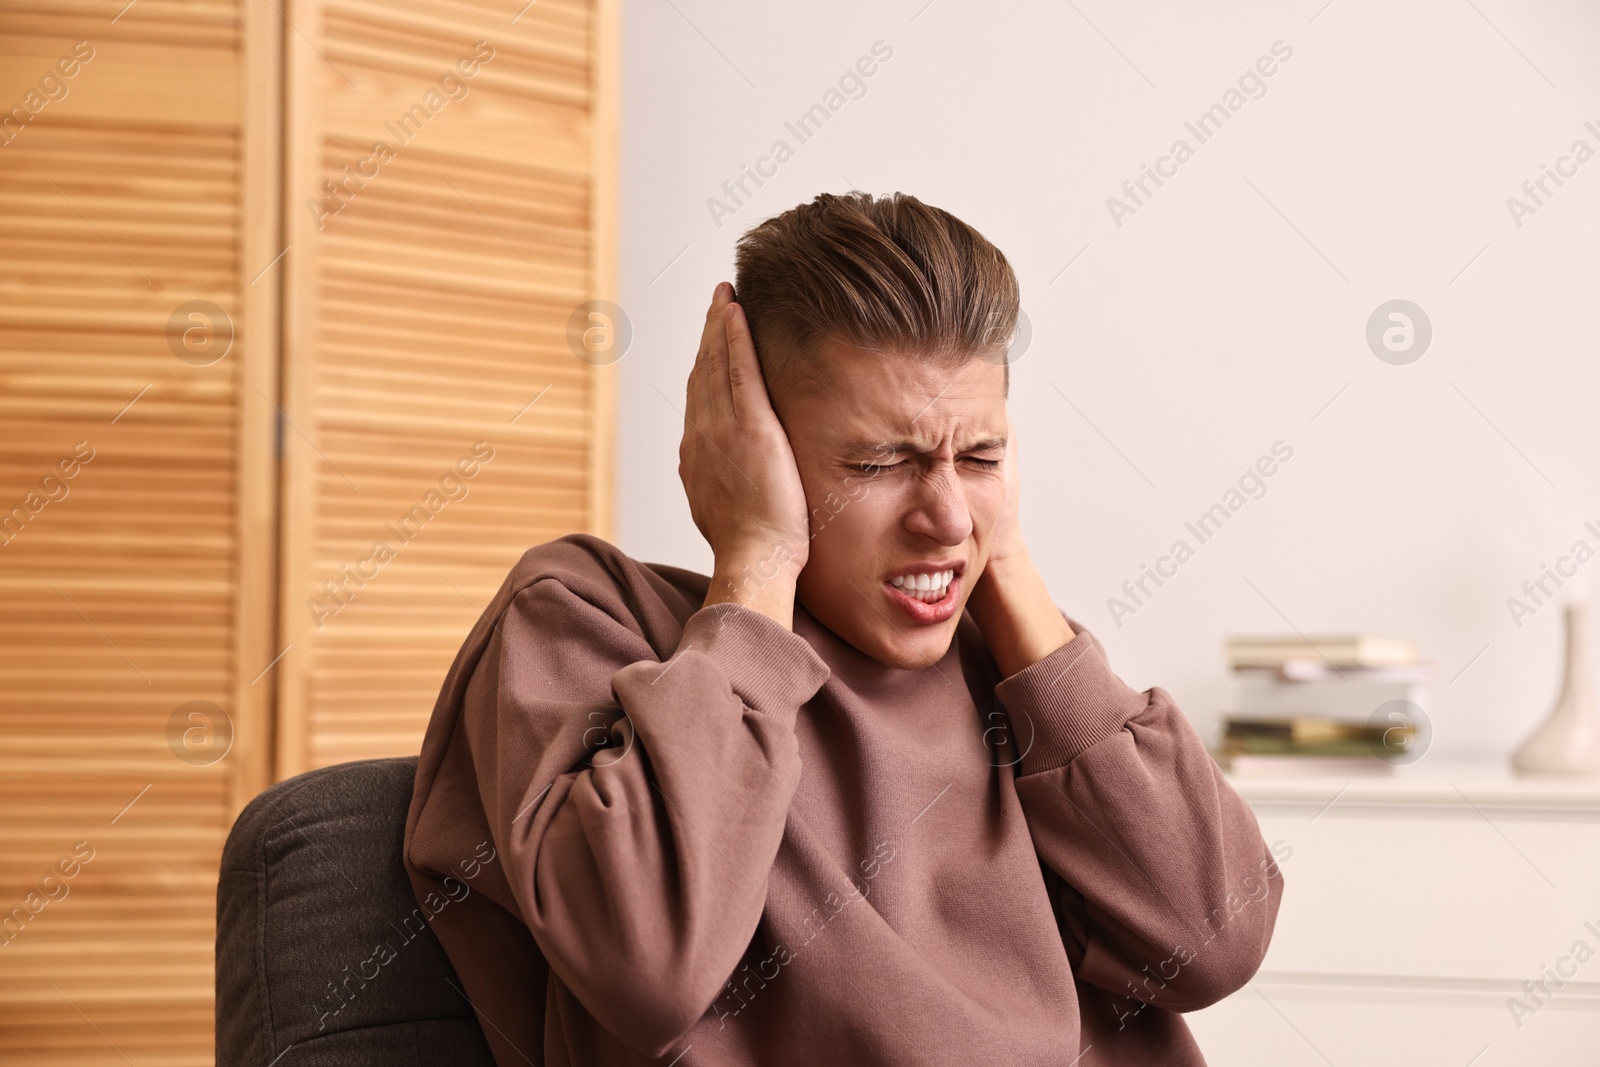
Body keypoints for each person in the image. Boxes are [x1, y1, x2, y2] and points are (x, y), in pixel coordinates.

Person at [403, 191, 1283, 1066]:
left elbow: (1218, 939)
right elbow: (649, 969)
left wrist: (1005, 565)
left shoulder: (1018, 669)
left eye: (981, 456)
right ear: (753, 449)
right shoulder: (589, 620)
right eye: (878, 462)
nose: (944, 518)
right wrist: (754, 559)